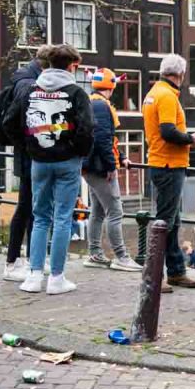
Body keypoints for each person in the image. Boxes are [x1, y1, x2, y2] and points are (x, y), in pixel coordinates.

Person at [4, 44, 94, 295]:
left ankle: (34, 276)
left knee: (40, 216)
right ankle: (56, 278)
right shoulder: (76, 93)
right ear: (71, 66)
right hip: (67, 163)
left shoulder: (31, 89)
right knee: (63, 218)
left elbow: (9, 122)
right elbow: (87, 128)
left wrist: (30, 146)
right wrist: (77, 152)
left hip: (39, 162)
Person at [143, 55, 195, 293]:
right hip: (169, 165)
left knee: (172, 220)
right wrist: (193, 139)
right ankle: (154, 275)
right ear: (180, 74)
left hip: (161, 162)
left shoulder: (153, 94)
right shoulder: (167, 96)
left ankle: (177, 271)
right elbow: (168, 131)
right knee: (165, 223)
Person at [81, 68, 141, 272]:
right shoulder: (101, 106)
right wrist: (110, 165)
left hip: (89, 166)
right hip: (99, 168)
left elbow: (108, 139)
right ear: (112, 86)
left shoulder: (91, 102)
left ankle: (95, 254)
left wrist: (122, 156)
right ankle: (121, 257)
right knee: (115, 211)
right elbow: (103, 139)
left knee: (97, 211)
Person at [2, 48, 50, 281]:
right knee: (26, 208)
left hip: (28, 154)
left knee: (32, 207)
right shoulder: (28, 85)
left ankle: (33, 259)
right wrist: (28, 144)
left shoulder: (26, 79)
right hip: (29, 155)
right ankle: (12, 262)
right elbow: (12, 122)